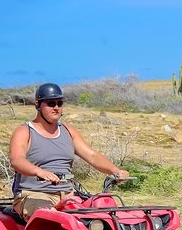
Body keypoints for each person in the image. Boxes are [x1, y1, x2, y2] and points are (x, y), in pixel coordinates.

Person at [9, 83, 128, 220]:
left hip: (68, 195)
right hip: (34, 195)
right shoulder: (25, 131)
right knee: (49, 218)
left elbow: (93, 156)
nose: (56, 108)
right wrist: (40, 172)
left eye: (60, 103)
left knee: (103, 216)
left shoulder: (68, 131)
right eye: (51, 103)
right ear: (37, 104)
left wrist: (115, 171)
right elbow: (17, 160)